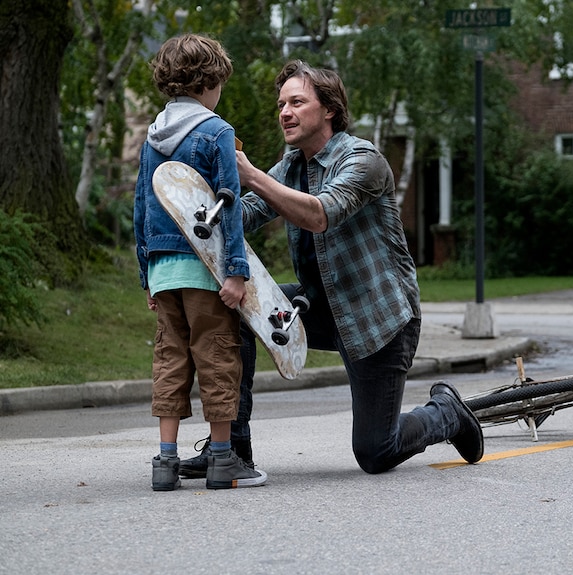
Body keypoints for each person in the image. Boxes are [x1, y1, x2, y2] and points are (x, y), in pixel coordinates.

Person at [236, 59, 483, 474]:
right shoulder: (292, 165)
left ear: (328, 109)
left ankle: (446, 412)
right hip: (319, 309)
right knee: (238, 307)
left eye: (297, 101)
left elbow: (320, 214)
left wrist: (253, 175)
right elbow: (247, 213)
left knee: (375, 451)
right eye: (281, 103)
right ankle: (233, 449)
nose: (284, 112)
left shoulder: (363, 160)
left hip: (379, 322)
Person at [133, 33, 266, 490]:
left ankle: (165, 462)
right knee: (217, 358)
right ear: (209, 82)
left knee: (170, 360)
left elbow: (140, 207)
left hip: (163, 271)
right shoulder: (217, 131)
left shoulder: (153, 137)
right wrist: (236, 271)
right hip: (205, 271)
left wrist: (146, 275)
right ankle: (223, 459)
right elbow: (228, 205)